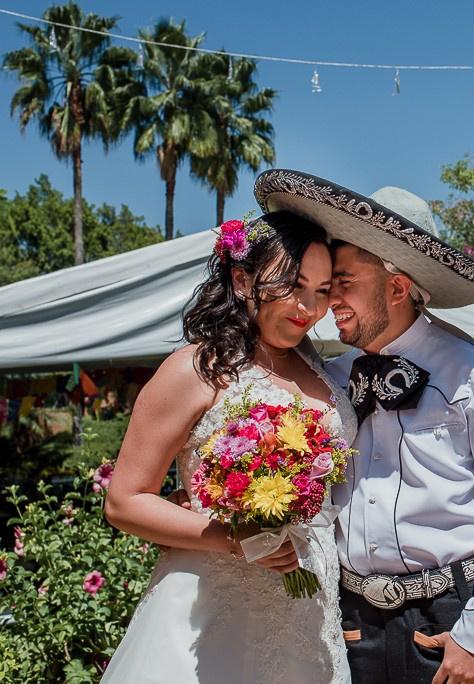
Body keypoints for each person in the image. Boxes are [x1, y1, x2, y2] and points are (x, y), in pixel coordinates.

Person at [254, 170, 474, 684]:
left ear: (398, 286)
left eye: (344, 284)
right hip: (354, 625)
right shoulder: (329, 377)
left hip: (452, 621)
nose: (328, 301)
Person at [102, 212, 357, 683]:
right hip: (213, 605)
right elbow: (124, 501)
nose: (308, 307)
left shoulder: (321, 370)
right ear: (243, 280)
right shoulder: (195, 370)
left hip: (310, 607)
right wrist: (236, 540)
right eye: (293, 285)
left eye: (322, 291)